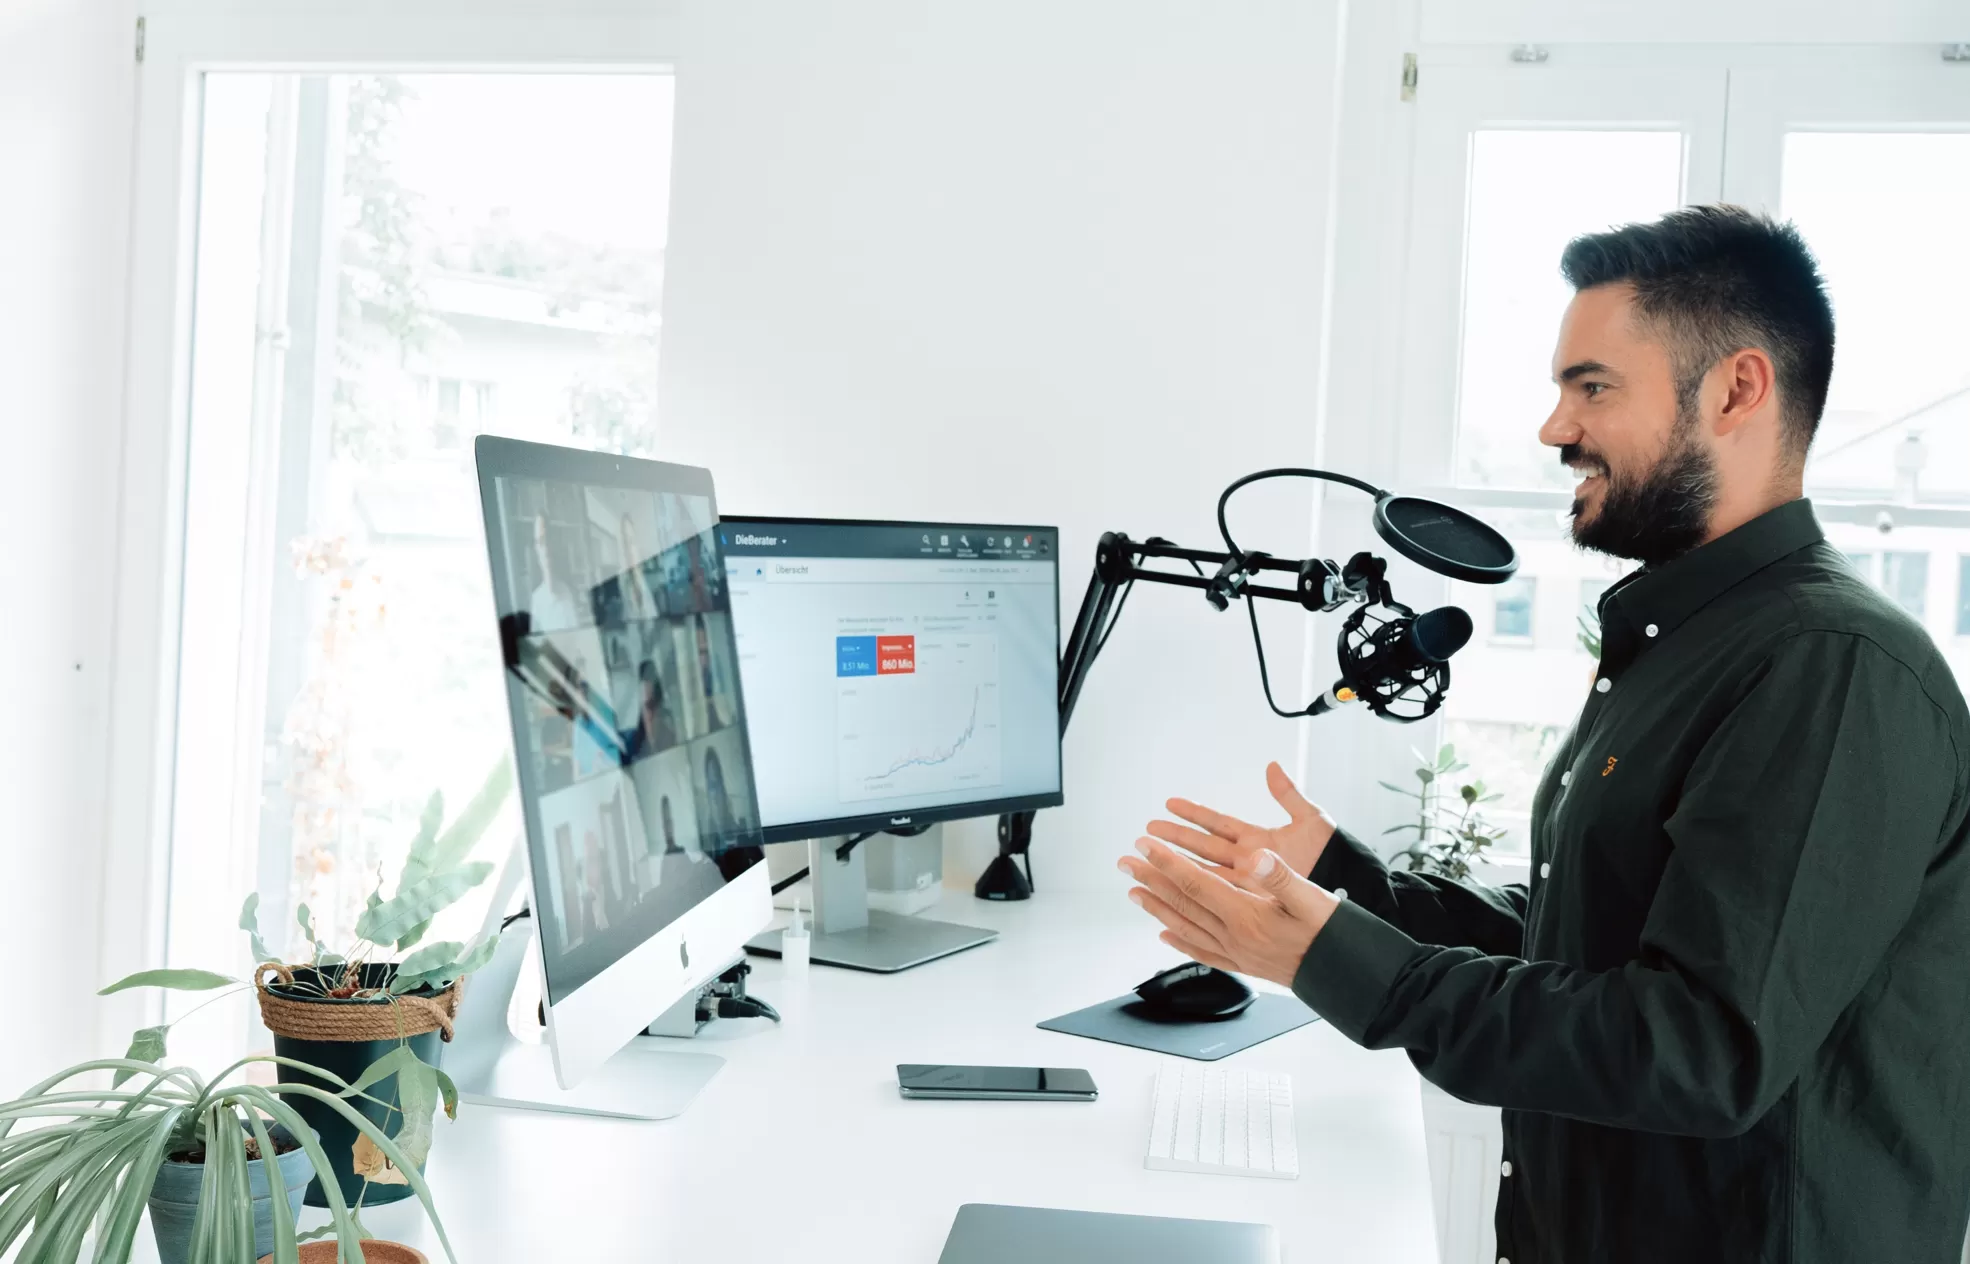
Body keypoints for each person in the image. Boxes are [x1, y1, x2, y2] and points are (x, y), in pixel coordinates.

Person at [1118, 206, 1970, 1263]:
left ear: (1735, 390)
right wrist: (1344, 884)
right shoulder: (1684, 640)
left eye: (1591, 386)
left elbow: (1698, 1047)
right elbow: (1582, 925)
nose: (1552, 427)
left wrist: (1333, 957)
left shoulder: (1830, 669)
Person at [528, 513, 582, 632]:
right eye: (540, 542)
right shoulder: (536, 601)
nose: (545, 548)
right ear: (535, 549)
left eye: (547, 539)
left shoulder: (567, 592)